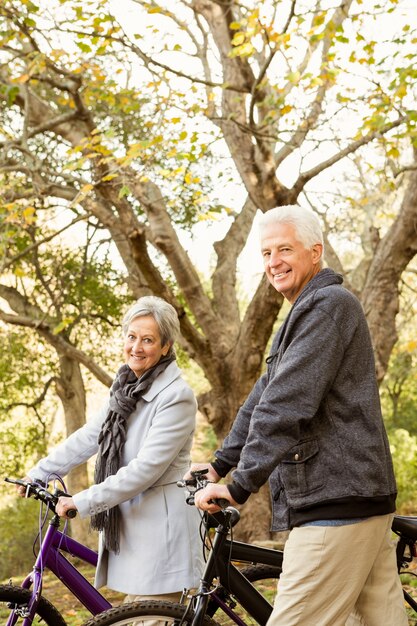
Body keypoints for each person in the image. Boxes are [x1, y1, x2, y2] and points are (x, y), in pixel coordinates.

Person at [188, 205, 407, 625]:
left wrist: (239, 487)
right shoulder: (307, 312)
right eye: (266, 253)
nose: (273, 262)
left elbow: (285, 404)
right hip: (355, 500)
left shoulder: (327, 306)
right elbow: (262, 396)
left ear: (315, 252)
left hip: (336, 503)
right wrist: (220, 464)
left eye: (284, 249)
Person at [17, 295, 204, 603]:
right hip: (135, 532)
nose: (136, 347)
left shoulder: (177, 397)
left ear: (166, 347)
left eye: (148, 340)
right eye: (131, 337)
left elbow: (145, 470)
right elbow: (91, 436)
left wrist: (82, 500)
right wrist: (38, 475)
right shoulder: (124, 390)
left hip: (162, 537)